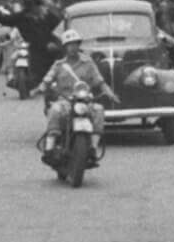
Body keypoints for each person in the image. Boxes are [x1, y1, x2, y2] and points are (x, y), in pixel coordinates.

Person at [41, 29, 118, 159]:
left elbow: (100, 81)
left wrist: (110, 93)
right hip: (65, 101)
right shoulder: (59, 65)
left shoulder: (88, 63)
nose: (72, 47)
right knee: (55, 110)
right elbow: (47, 79)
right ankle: (49, 148)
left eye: (75, 44)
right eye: (69, 44)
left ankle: (93, 148)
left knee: (98, 110)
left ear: (79, 45)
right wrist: (43, 86)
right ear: (64, 47)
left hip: (85, 100)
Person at [0, 0, 64, 94]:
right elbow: (6, 20)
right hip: (36, 47)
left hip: (47, 46)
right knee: (35, 74)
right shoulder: (23, 16)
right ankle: (20, 81)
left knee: (62, 60)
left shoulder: (45, 13)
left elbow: (59, 22)